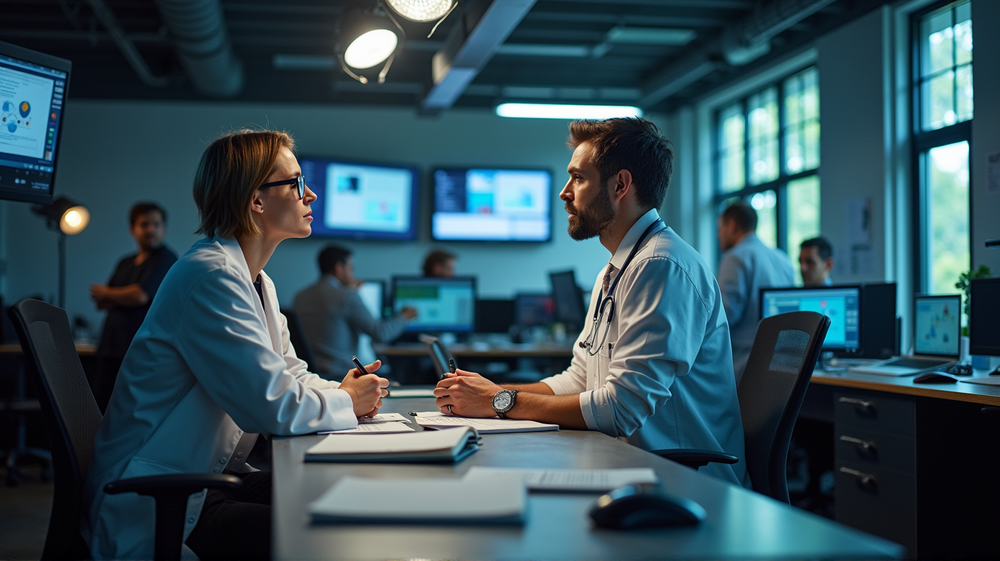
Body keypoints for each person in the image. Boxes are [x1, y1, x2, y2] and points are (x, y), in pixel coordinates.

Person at [81, 130, 388, 561]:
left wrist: (346, 392)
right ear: (256, 200)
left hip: (203, 479)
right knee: (338, 537)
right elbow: (270, 407)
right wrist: (346, 401)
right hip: (161, 496)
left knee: (351, 493)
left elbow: (289, 374)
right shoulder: (212, 276)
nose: (311, 194)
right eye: (297, 183)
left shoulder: (255, 280)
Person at [433, 118, 748, 487]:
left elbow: (620, 408)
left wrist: (501, 401)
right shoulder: (615, 270)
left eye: (578, 178)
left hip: (683, 484)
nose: (565, 192)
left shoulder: (661, 266)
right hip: (627, 465)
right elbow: (580, 379)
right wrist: (489, 392)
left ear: (620, 185)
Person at [89, 202, 177, 413]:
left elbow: (139, 296)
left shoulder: (166, 259)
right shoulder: (125, 262)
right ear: (132, 230)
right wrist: (117, 296)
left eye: (156, 224)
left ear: (163, 228)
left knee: (128, 411)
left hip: (139, 352)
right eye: (144, 224)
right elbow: (101, 302)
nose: (151, 230)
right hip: (110, 348)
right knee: (100, 407)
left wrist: (110, 293)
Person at [293, 245, 417, 378]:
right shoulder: (347, 296)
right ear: (339, 268)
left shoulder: (300, 296)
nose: (352, 274)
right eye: (351, 268)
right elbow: (381, 333)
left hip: (310, 376)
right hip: (341, 376)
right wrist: (404, 316)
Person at [716, 203, 795, 384]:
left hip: (744, 364)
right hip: (781, 362)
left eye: (720, 229)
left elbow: (725, 315)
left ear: (732, 226)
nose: (718, 235)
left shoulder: (735, 258)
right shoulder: (783, 259)